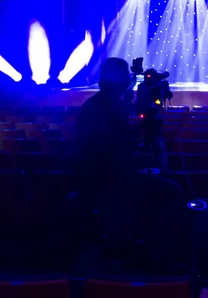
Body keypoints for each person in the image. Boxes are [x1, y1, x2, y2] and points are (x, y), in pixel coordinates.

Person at [73, 57, 182, 272]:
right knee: (173, 191)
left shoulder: (98, 105)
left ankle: (141, 248)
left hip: (100, 179)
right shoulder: (110, 109)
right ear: (122, 80)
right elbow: (116, 156)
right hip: (109, 183)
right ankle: (156, 258)